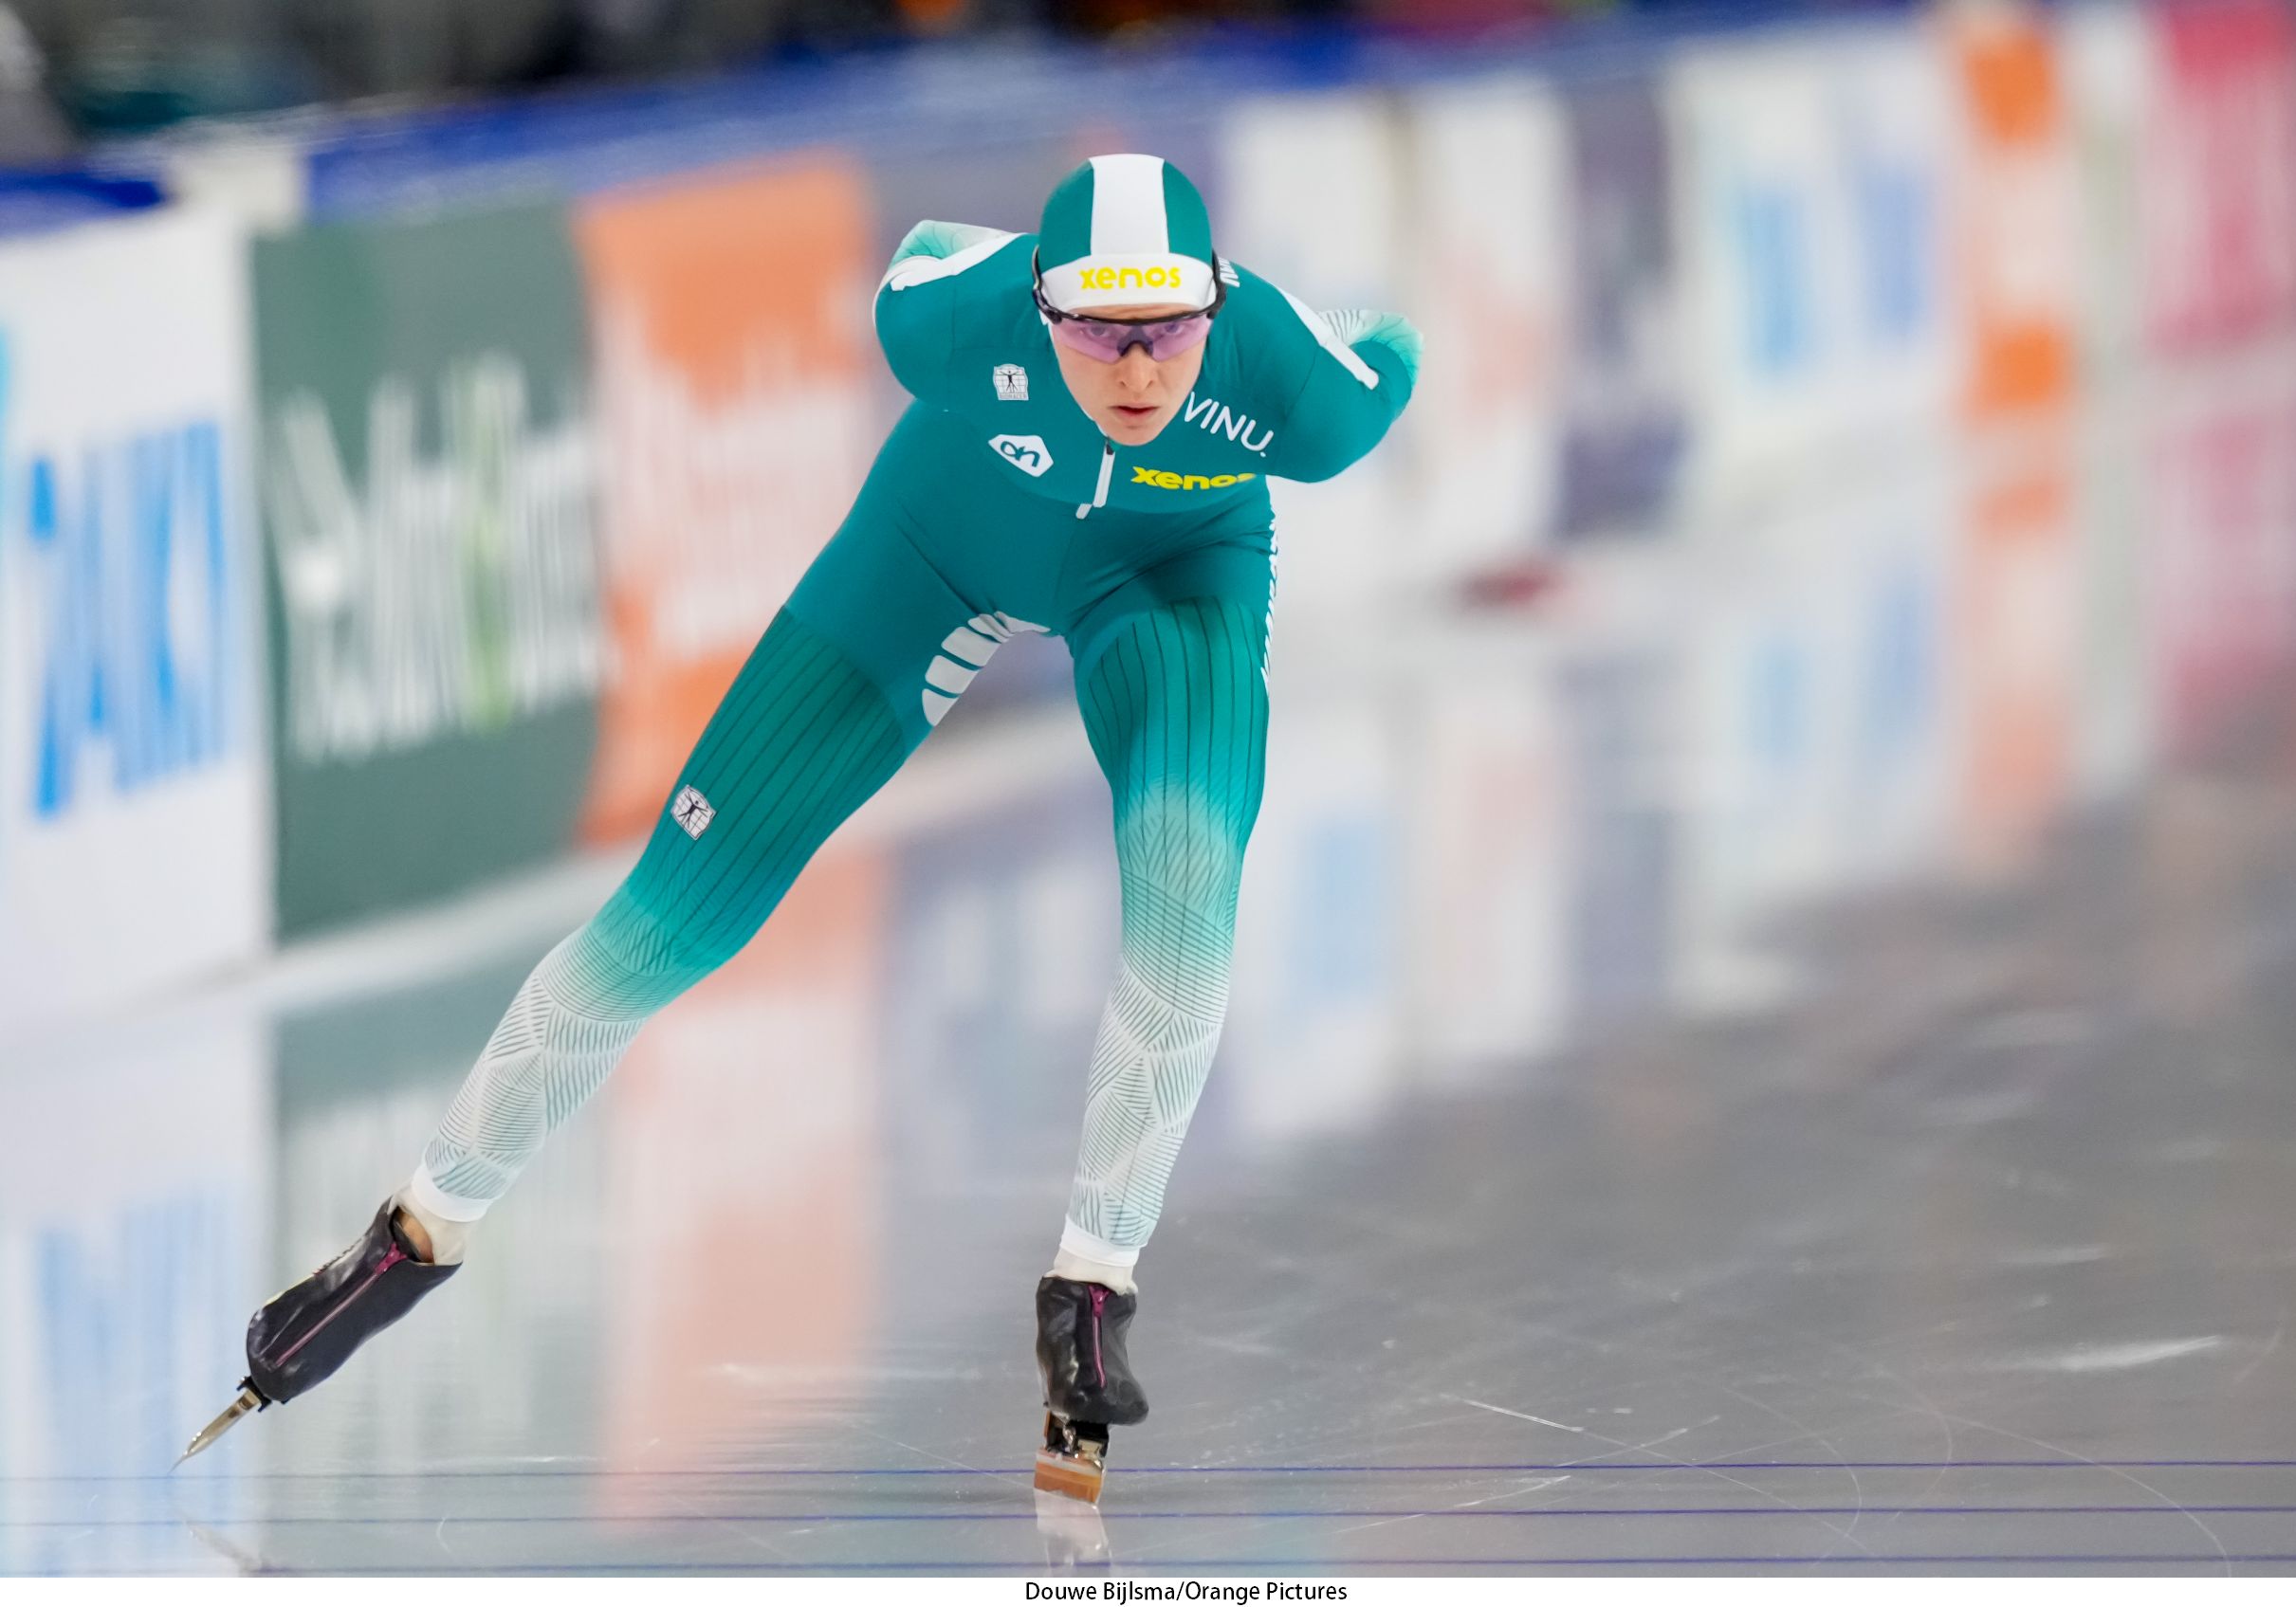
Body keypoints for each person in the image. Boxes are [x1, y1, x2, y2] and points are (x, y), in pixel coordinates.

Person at [188, 154, 1422, 1498]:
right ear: (1041, 306)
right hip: (936, 551)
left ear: (1216, 302)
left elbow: (1388, 344)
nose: (1138, 366)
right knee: (673, 914)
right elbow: (937, 248)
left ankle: (1092, 1290)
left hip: (1171, 581)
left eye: (1171, 327)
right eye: (1098, 328)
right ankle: (411, 1237)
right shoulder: (951, 322)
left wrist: (1299, 320)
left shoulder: (1292, 392)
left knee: (1186, 895)